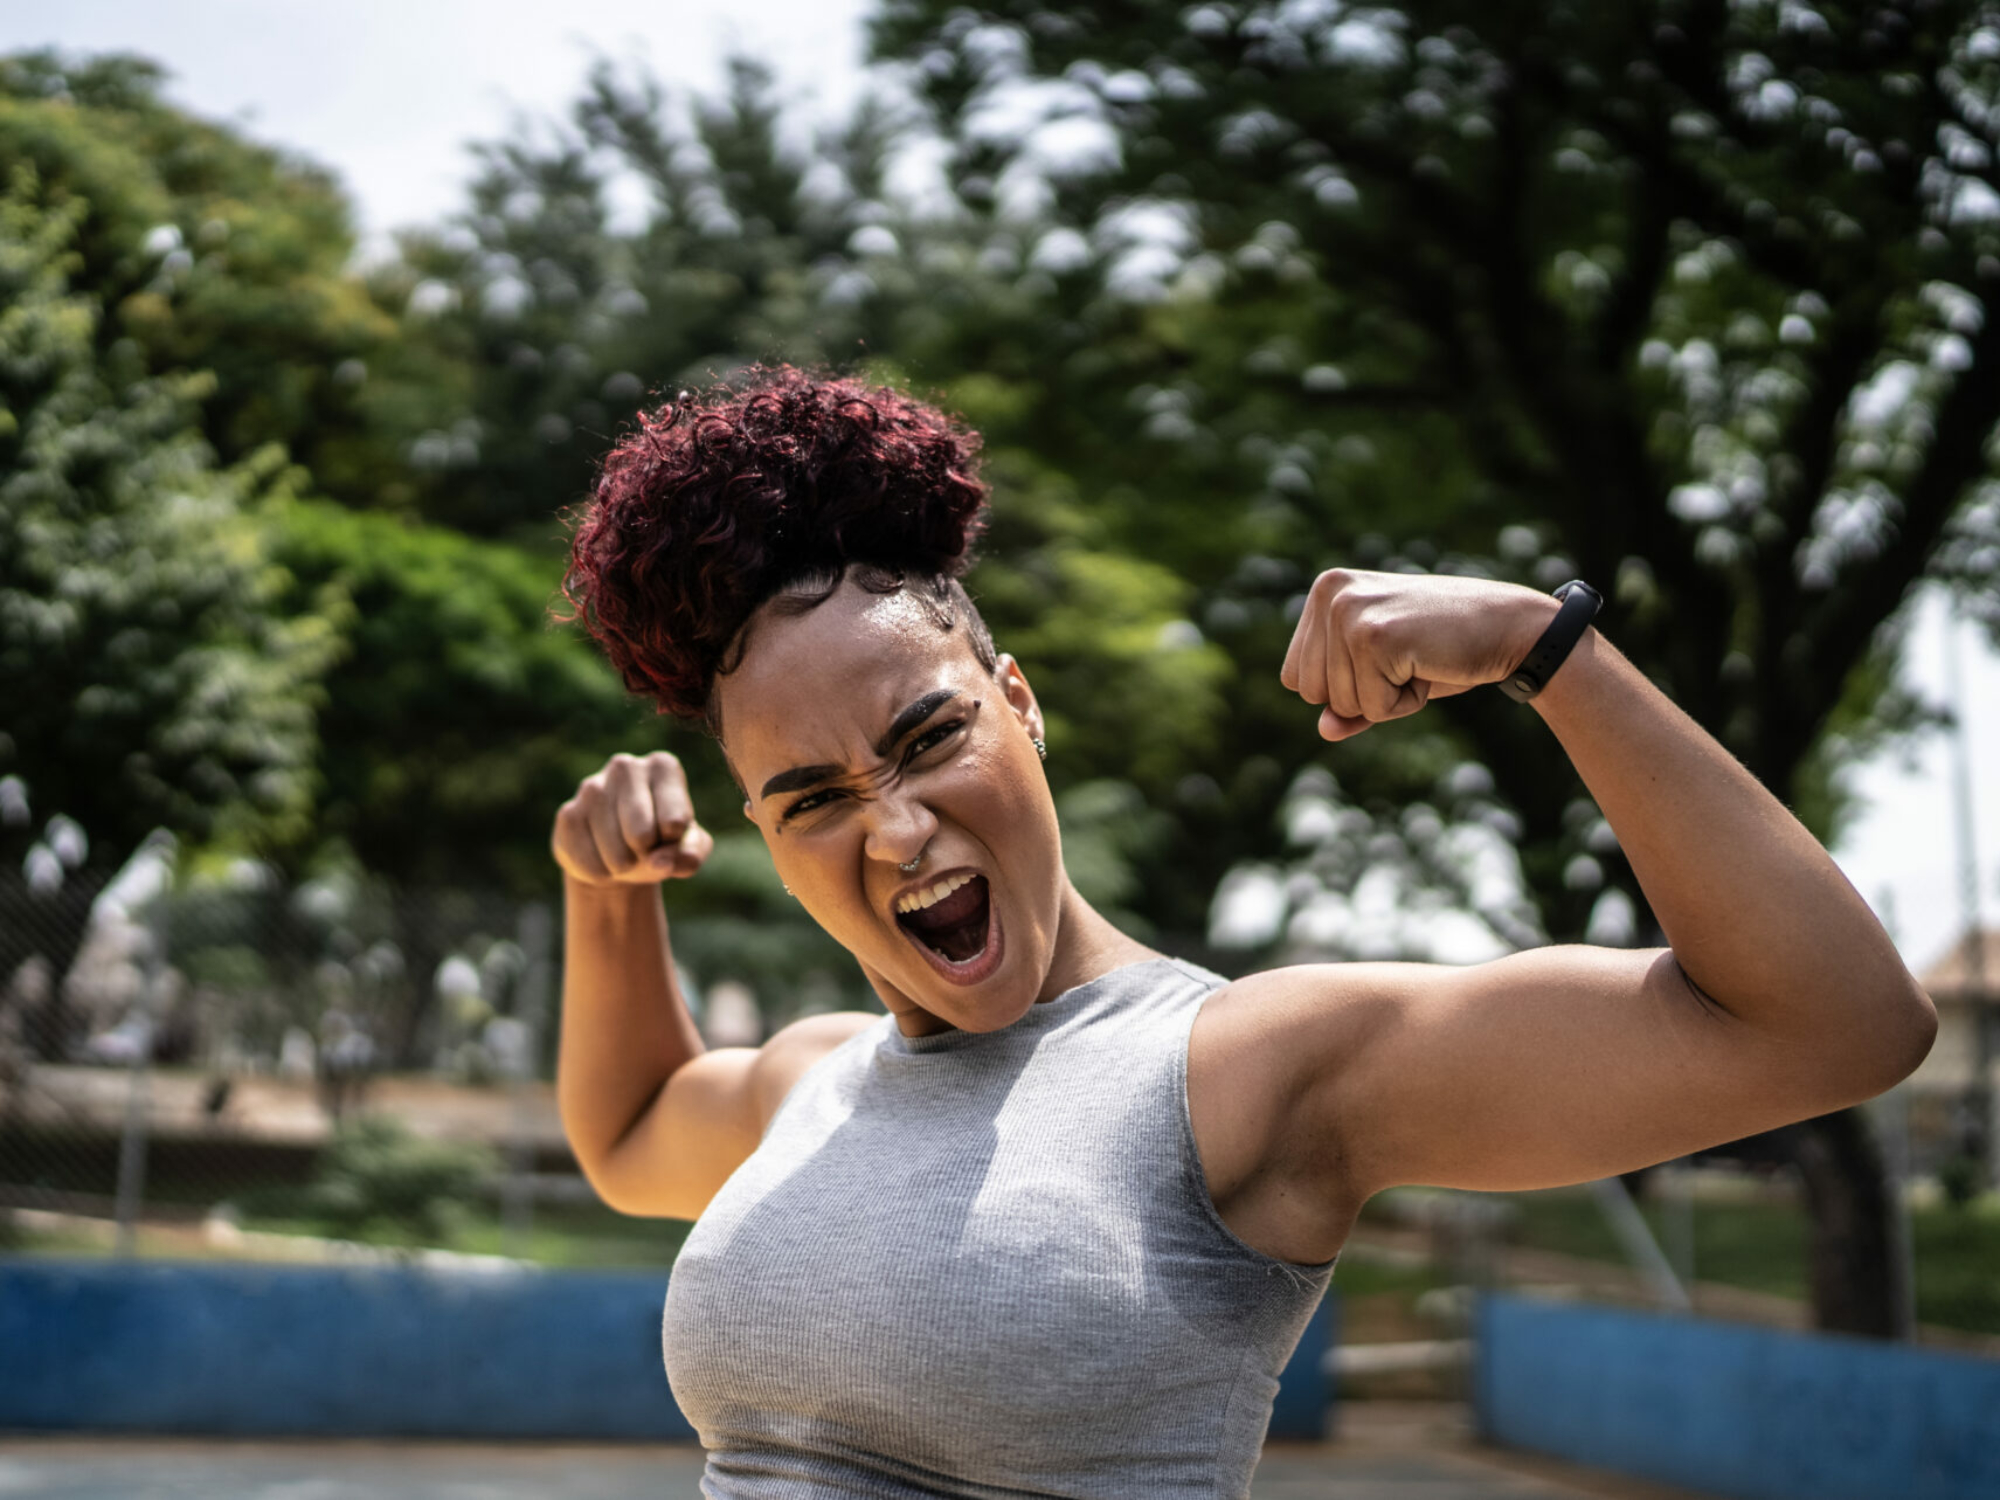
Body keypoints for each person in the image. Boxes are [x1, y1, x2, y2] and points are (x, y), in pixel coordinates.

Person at [550, 367, 1935, 1499]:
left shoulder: (1239, 1068)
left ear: (1020, 706)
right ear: (761, 830)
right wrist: (606, 898)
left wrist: (1546, 653)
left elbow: (1833, 1026)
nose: (899, 830)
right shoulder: (815, 1079)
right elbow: (626, 1134)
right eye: (814, 800)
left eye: (930, 737)